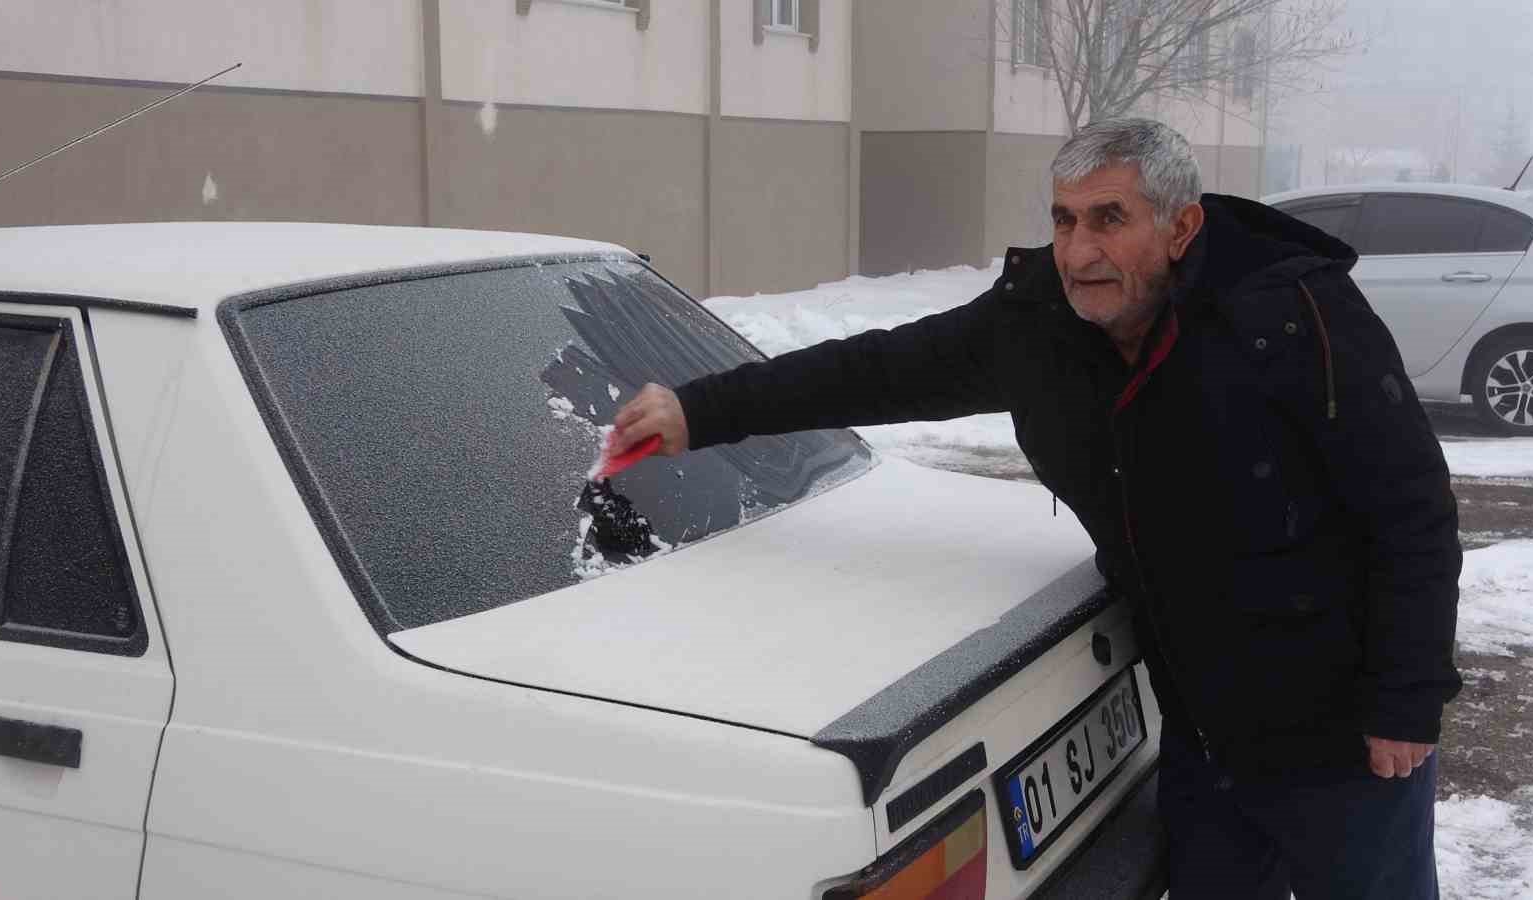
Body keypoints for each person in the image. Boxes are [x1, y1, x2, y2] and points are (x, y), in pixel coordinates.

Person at [609, 117, 1460, 899]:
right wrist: (703, 410)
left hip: (1341, 738)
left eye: (1108, 219)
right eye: (1063, 220)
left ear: (1181, 228)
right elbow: (880, 369)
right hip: (1206, 736)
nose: (1078, 248)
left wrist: (1406, 700)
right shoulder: (1038, 325)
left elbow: (1411, 510)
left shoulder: (1289, 314)